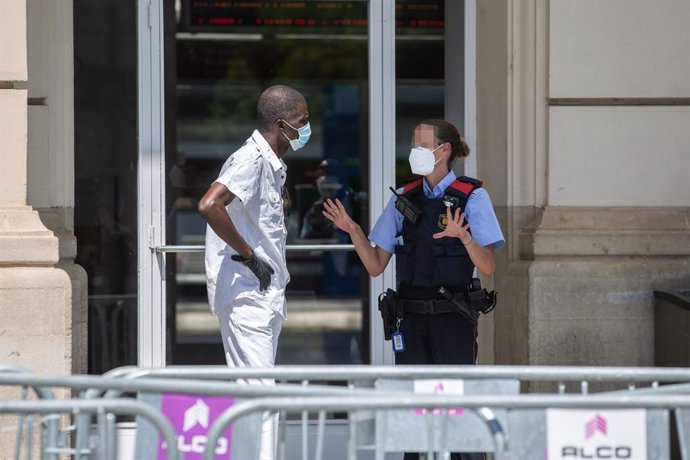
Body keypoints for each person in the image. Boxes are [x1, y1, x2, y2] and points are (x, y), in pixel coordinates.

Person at [323, 119, 504, 460]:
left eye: (421, 145)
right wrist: (353, 230)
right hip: (410, 320)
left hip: (453, 319)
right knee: (414, 413)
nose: (414, 152)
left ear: (444, 150)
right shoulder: (405, 198)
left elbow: (489, 266)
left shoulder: (472, 196)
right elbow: (376, 265)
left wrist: (465, 237)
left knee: (460, 408)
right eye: (413, 145)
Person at [198, 85, 310, 460]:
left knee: (254, 393)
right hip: (247, 294)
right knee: (261, 395)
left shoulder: (271, 164)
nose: (307, 130)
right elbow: (210, 205)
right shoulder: (251, 160)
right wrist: (248, 256)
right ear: (281, 124)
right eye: (302, 123)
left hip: (262, 293)